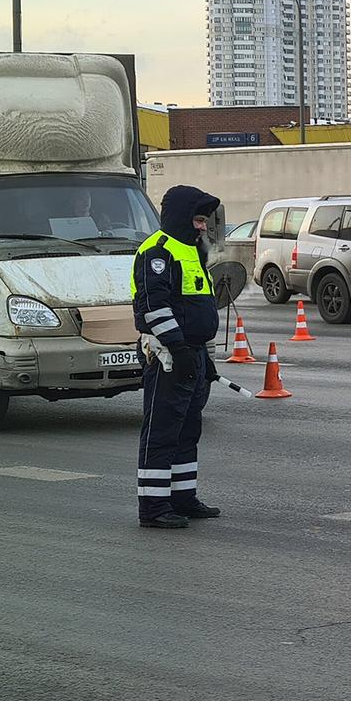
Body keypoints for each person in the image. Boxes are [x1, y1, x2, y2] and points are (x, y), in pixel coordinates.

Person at [132, 186, 222, 529]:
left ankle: (183, 497)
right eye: (198, 220)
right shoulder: (157, 251)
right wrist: (179, 348)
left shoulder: (192, 252)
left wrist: (202, 357)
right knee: (162, 431)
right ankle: (154, 507)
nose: (202, 227)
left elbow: (197, 308)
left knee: (188, 430)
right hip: (168, 354)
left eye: (204, 221)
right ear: (181, 217)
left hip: (192, 353)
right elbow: (153, 306)